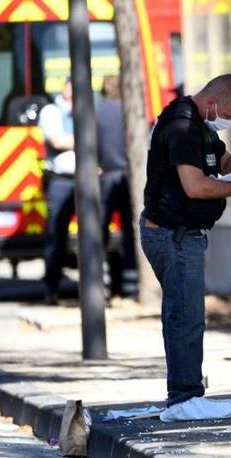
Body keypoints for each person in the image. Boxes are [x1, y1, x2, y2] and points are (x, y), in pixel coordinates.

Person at [141, 74, 231, 422]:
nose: (230, 121)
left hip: (181, 233)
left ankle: (186, 394)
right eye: (229, 113)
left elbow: (223, 161)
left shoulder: (202, 126)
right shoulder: (183, 127)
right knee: (185, 317)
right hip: (174, 235)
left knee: (186, 314)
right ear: (213, 103)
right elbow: (195, 187)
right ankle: (185, 398)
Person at [96, 75, 137, 297]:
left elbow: (90, 146)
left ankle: (103, 283)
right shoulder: (129, 111)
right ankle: (131, 283)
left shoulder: (97, 113)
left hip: (106, 176)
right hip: (129, 178)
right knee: (130, 232)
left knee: (100, 231)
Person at [38, 78, 75, 304]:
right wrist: (87, 137)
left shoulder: (86, 108)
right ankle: (51, 288)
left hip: (86, 179)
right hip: (61, 180)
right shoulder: (51, 111)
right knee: (56, 235)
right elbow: (57, 140)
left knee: (96, 233)